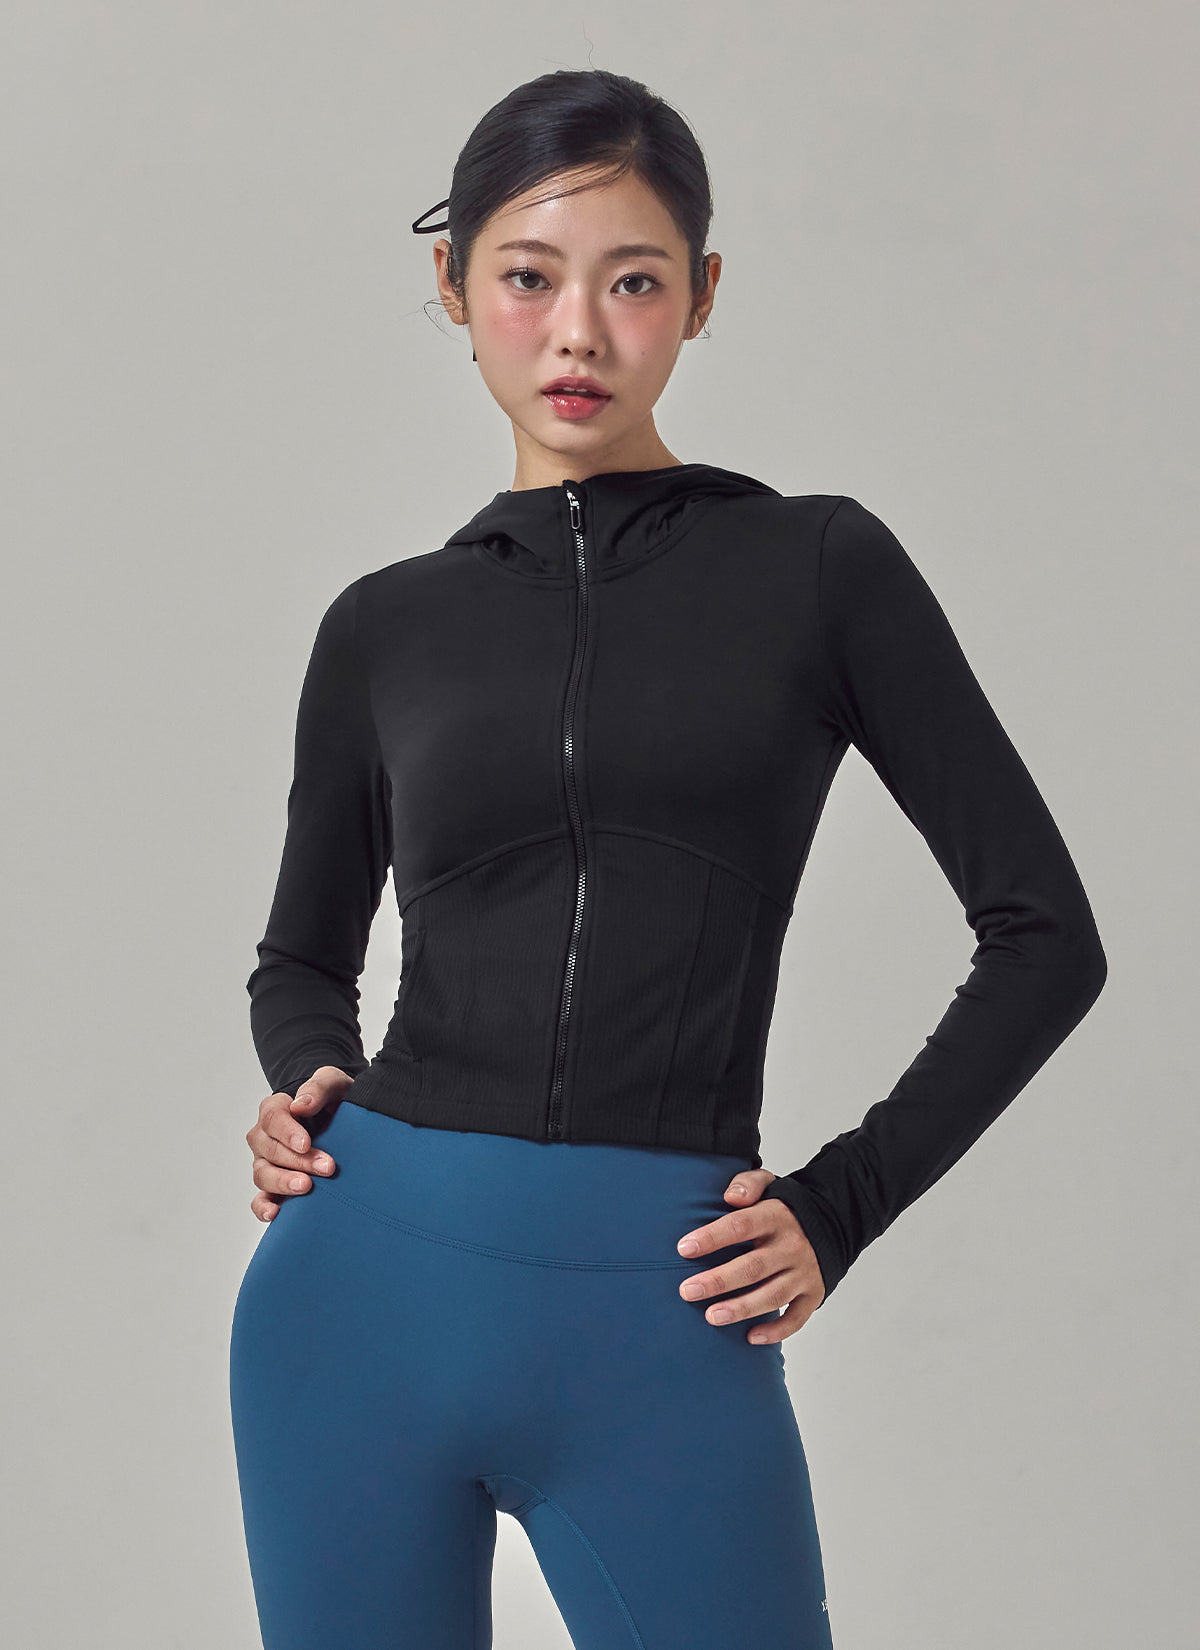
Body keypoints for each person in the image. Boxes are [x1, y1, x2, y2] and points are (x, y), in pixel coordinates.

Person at [228, 67, 1107, 1650]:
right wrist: (309, 1079)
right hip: (356, 1299)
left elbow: (1047, 933)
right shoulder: (383, 625)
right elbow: (300, 959)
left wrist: (839, 1205)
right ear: (453, 285)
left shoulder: (818, 568)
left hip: (661, 1313)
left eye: (632, 282)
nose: (578, 332)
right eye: (528, 277)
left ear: (701, 296)